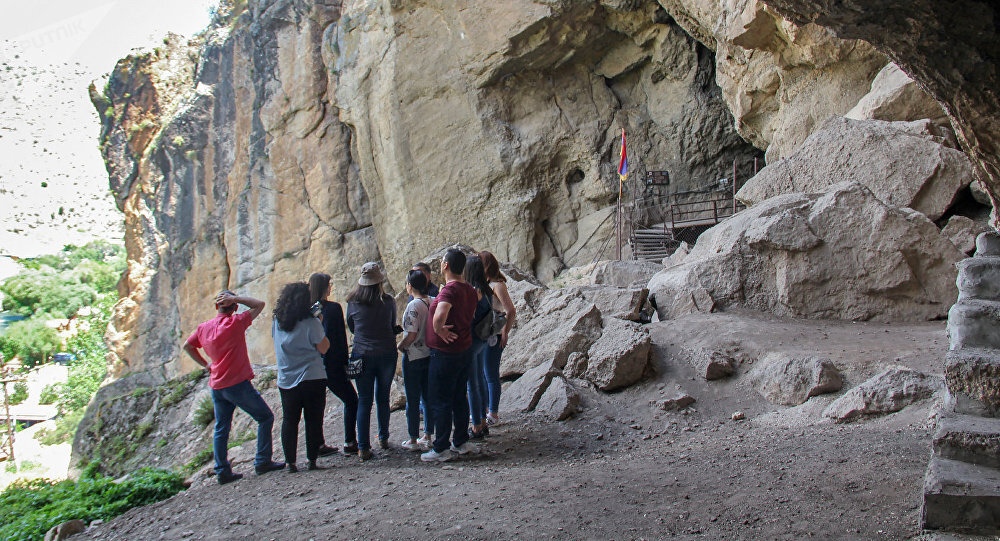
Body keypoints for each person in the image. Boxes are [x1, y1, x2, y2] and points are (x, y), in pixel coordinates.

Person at [183, 290, 284, 485]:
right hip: (237, 384)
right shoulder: (235, 323)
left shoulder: (203, 328)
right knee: (265, 417)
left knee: (221, 428)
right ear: (235, 307)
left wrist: (205, 364)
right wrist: (236, 298)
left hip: (217, 385)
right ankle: (263, 461)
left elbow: (187, 346)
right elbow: (260, 304)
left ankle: (222, 470)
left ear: (216, 307)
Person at [421, 248, 479, 462]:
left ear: (445, 265)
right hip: (464, 348)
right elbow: (469, 315)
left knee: (441, 399)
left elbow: (440, 316)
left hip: (445, 353)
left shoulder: (449, 291)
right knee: (458, 397)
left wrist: (439, 330)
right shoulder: (470, 290)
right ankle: (460, 442)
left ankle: (441, 447)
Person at [272, 282, 330, 472]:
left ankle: (290, 462)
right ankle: (311, 460)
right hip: (312, 375)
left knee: (289, 419)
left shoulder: (277, 321)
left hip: (286, 377)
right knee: (313, 419)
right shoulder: (311, 322)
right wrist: (320, 324)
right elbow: (323, 347)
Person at [346, 262, 398, 460]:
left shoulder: (352, 302)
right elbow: (392, 324)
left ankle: (363, 447)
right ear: (379, 282)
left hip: (362, 354)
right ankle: (383, 437)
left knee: (364, 400)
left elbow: (351, 326)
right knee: (383, 397)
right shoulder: (388, 301)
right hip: (386, 353)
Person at [309, 273, 359, 456]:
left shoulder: (308, 310)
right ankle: (350, 441)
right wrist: (344, 362)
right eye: (329, 284)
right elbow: (337, 338)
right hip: (332, 364)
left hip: (313, 364)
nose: (331, 287)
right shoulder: (333, 308)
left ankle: (318, 444)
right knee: (352, 400)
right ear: (324, 287)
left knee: (316, 406)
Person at [398, 270, 434, 451]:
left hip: (413, 356)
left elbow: (411, 334)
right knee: (428, 397)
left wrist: (400, 346)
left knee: (412, 399)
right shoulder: (433, 301)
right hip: (429, 354)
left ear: (410, 286)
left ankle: (413, 438)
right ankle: (428, 435)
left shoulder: (413, 306)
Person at [480, 251, 516, 425]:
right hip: (488, 333)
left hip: (494, 334)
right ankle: (487, 409)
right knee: (485, 373)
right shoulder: (488, 284)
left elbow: (510, 310)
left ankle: (493, 413)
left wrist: (505, 331)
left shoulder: (497, 285)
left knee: (491, 374)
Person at [464, 256, 492, 440]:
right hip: (483, 339)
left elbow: (468, 316)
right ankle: (482, 419)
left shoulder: (475, 291)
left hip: (473, 340)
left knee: (472, 384)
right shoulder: (487, 289)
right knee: (480, 380)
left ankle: (476, 425)